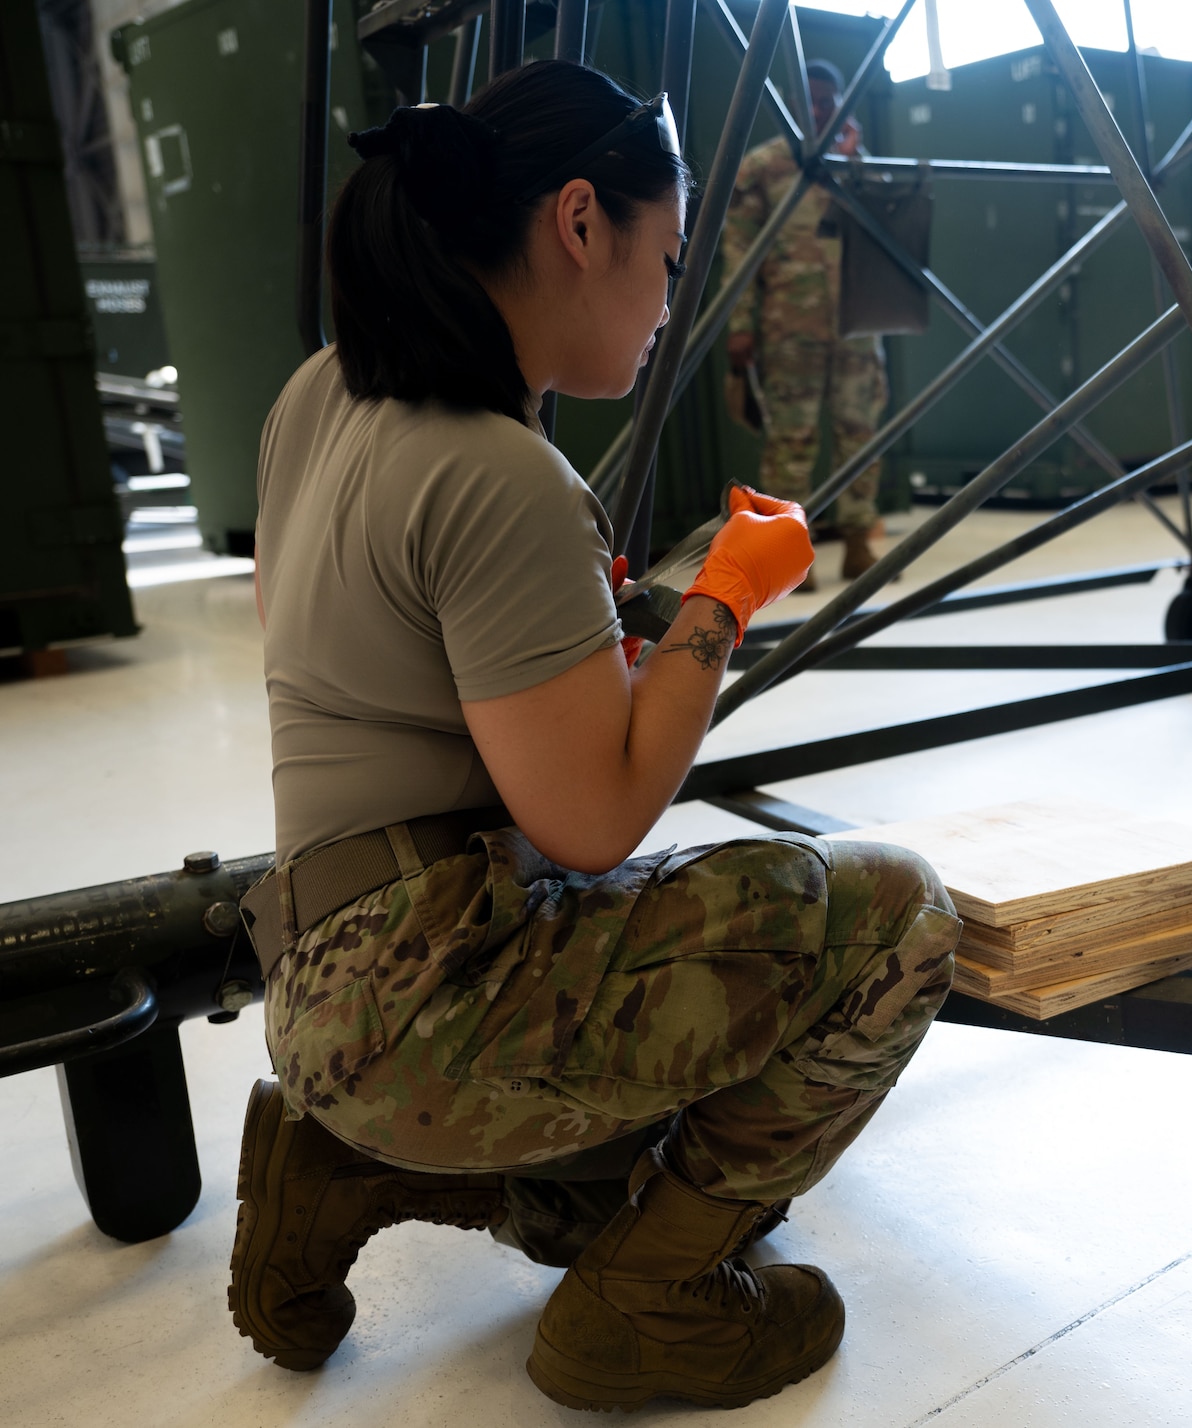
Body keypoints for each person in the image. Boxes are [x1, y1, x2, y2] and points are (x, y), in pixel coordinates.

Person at [230, 61, 958, 1413]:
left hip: (324, 977)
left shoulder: (320, 392)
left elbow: (323, 635)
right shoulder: (503, 471)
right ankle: (650, 1306)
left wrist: (579, 635)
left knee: (647, 1152)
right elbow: (595, 819)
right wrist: (723, 599)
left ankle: (343, 1161)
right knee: (899, 917)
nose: (670, 302)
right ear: (580, 223)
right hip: (431, 1000)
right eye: (666, 261)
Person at [722, 57, 888, 588]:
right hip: (789, 328)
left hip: (856, 326)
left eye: (827, 102)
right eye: (809, 101)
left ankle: (859, 542)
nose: (818, 110)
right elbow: (738, 251)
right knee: (791, 442)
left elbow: (887, 221)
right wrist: (740, 324)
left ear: (840, 106)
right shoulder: (763, 167)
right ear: (793, 105)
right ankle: (792, 557)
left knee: (860, 434)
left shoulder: (855, 164)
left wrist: (854, 161)